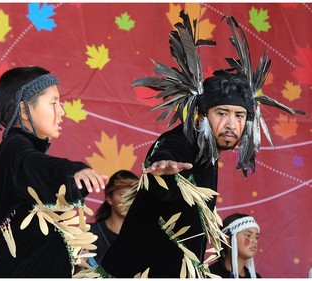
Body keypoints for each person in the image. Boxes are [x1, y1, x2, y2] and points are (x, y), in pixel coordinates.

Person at [96, 11, 305, 278]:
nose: (231, 123)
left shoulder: (210, 155)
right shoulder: (181, 141)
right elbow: (171, 161)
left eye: (239, 115)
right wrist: (166, 168)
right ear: (201, 115)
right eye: (222, 113)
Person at [0, 66, 107, 278]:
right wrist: (71, 172)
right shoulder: (14, 148)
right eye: (54, 103)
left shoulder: (20, 150)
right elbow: (34, 165)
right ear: (25, 109)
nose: (61, 111)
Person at [87, 170, 139, 268]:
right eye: (123, 195)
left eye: (133, 196)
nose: (129, 201)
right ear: (109, 199)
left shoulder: (146, 236)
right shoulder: (88, 234)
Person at [209, 213, 262, 278]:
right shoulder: (209, 275)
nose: (255, 241)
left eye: (256, 237)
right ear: (227, 239)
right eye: (248, 235)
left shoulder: (255, 277)